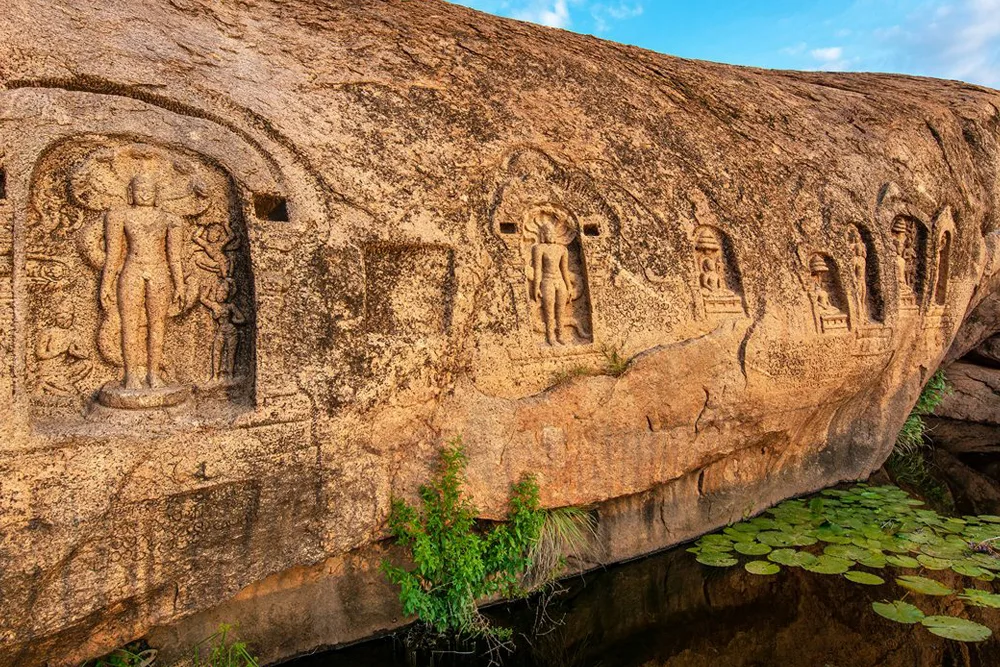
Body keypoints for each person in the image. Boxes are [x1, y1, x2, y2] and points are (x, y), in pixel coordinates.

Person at [100, 173, 185, 390]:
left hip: (158, 272)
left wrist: (180, 285)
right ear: (131, 193)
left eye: (149, 189)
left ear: (157, 194)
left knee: (157, 325)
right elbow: (113, 254)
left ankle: (153, 374)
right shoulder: (119, 216)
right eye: (140, 189)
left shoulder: (171, 220)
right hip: (132, 269)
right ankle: (131, 374)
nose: (145, 193)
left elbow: (174, 257)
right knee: (129, 324)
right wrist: (106, 283)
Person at [530, 212, 574, 346]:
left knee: (560, 310)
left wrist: (569, 287)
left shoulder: (562, 249)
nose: (550, 235)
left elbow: (564, 270)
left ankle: (560, 334)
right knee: (549, 311)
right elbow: (538, 269)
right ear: (542, 235)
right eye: (547, 233)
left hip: (560, 281)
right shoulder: (539, 248)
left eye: (551, 232)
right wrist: (536, 287)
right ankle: (550, 337)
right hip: (547, 281)